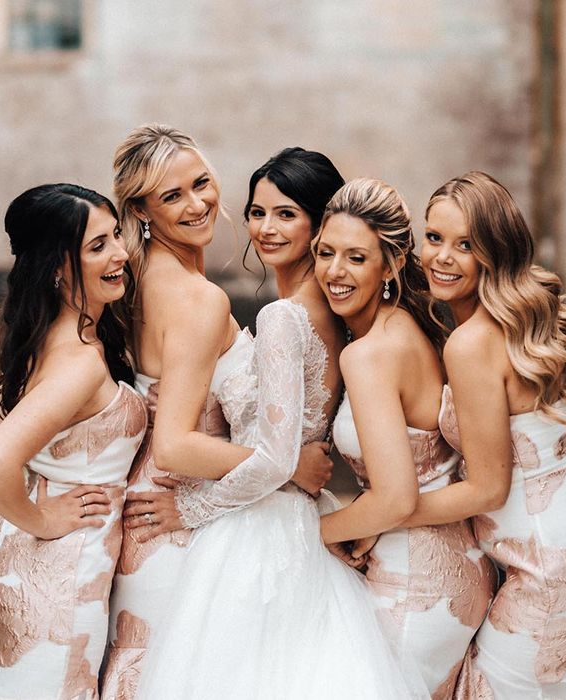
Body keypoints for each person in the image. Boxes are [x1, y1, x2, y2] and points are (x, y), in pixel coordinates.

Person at [124, 151, 429, 699]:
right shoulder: (337, 315)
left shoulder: (283, 317)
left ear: (318, 224)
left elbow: (274, 455)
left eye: (286, 214)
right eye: (257, 212)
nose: (265, 228)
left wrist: (190, 510)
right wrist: (291, 463)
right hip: (281, 513)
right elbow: (288, 450)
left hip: (257, 527)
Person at [101, 128, 334, 698]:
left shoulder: (134, 279)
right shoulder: (197, 297)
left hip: (147, 502)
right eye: (172, 195)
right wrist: (288, 466)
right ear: (142, 210)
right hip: (174, 516)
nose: (198, 203)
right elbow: (176, 443)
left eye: (201, 182)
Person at [407, 171, 566, 697]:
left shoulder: (473, 342)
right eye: (434, 238)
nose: (442, 257)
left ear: (495, 252)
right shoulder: (528, 315)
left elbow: (486, 489)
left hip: (553, 571)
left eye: (465, 245)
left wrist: (388, 512)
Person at [313, 178, 496, 697]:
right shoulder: (410, 328)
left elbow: (394, 498)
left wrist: (310, 535)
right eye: (326, 253)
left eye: (356, 257)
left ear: (390, 264)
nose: (335, 271)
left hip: (418, 581)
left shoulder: (369, 354)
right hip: (449, 568)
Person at [0, 184, 147, 700]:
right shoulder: (78, 361)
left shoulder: (42, 338)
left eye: (115, 235)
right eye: (97, 246)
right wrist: (46, 518)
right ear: (55, 268)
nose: (119, 254)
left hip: (18, 562)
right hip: (59, 573)